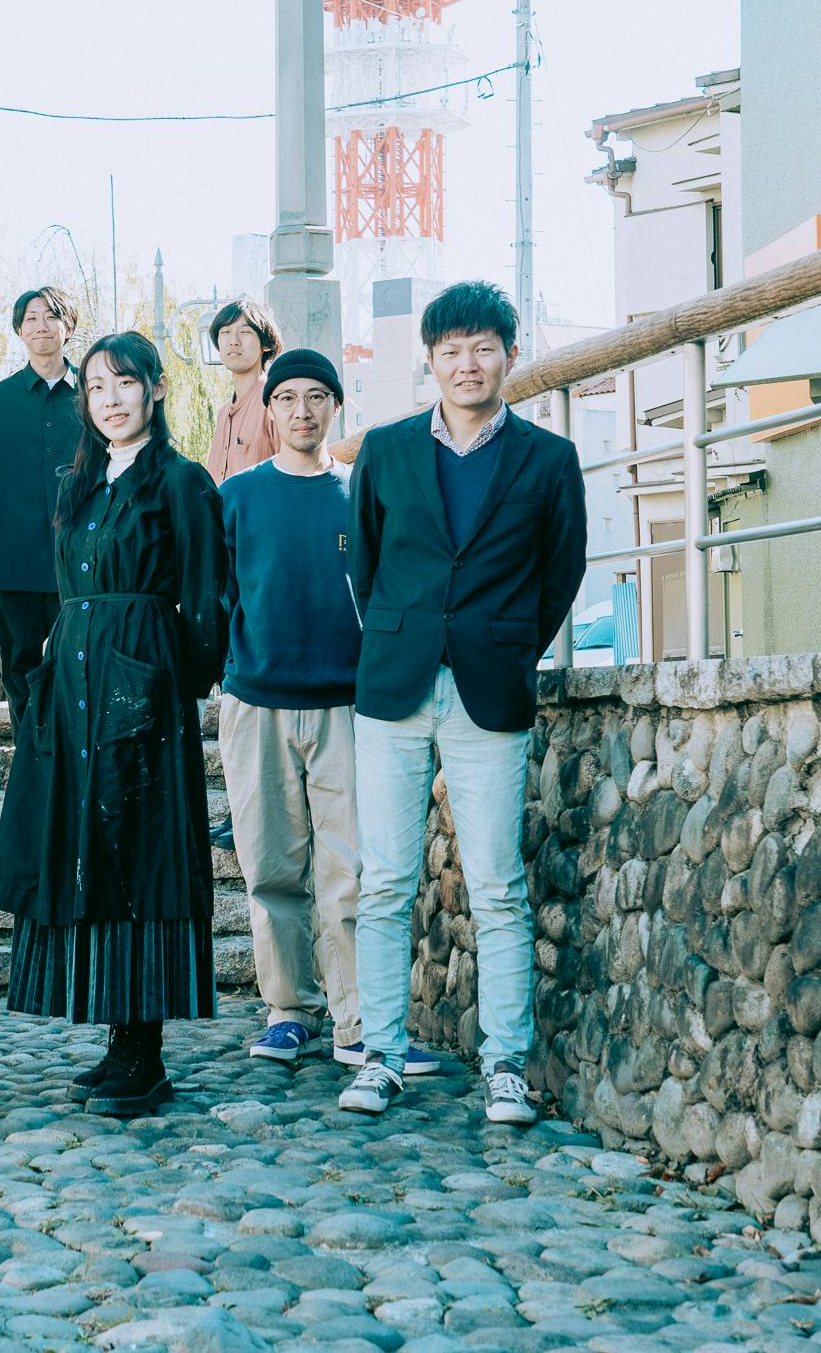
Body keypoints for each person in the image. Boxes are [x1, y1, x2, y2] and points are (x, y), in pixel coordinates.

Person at [339, 282, 586, 1127]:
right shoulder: (387, 449)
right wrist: (401, 636)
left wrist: (511, 644)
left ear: (510, 355)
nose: (467, 363)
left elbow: (561, 570)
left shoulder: (548, 459)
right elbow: (366, 565)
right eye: (451, 350)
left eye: (483, 348)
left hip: (490, 684)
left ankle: (505, 1065)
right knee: (385, 881)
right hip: (394, 685)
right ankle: (380, 1054)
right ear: (431, 360)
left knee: (498, 885)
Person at [0, 331, 226, 1118]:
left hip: (142, 683)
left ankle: (145, 1053)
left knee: (141, 854)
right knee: (85, 848)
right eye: (95, 386)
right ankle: (118, 1038)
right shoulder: (79, 483)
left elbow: (208, 601)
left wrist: (173, 685)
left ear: (155, 388)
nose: (110, 398)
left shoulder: (181, 482)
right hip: (76, 681)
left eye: (124, 382)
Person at [0, 286, 82, 723]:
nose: (41, 326)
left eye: (51, 316)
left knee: (76, 663)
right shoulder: (0, 399)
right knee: (19, 665)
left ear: (67, 326)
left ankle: (72, 752)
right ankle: (28, 752)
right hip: (14, 554)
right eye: (31, 318)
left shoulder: (93, 393)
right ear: (19, 330)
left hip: (77, 555)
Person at [203, 298, 282, 485]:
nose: (233, 341)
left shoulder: (275, 403)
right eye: (225, 332)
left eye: (245, 332)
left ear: (265, 343)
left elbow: (294, 475)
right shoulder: (223, 413)